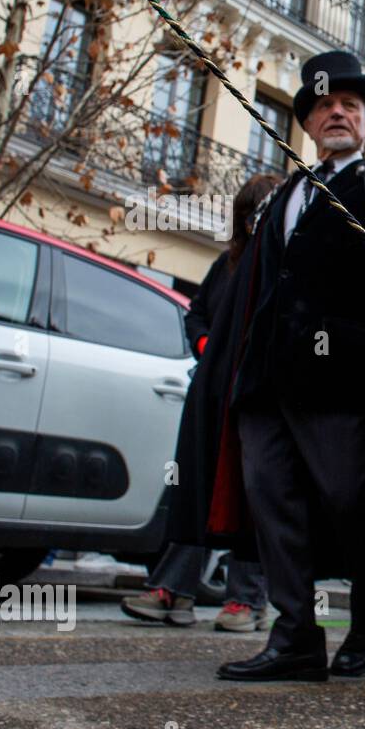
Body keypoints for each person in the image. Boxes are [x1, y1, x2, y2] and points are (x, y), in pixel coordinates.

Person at [164, 50, 365, 682]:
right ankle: (295, 635)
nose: (336, 113)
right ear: (307, 122)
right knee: (272, 502)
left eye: (350, 106)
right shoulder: (284, 196)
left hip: (343, 383)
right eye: (324, 105)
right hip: (265, 383)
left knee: (352, 506)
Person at [121, 173, 281, 632]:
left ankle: (246, 601)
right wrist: (210, 344)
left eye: (266, 212)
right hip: (210, 394)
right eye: (251, 213)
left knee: (251, 492)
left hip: (257, 399)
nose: (257, 222)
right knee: (194, 487)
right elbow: (198, 314)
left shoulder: (283, 270)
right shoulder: (226, 266)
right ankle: (173, 589)